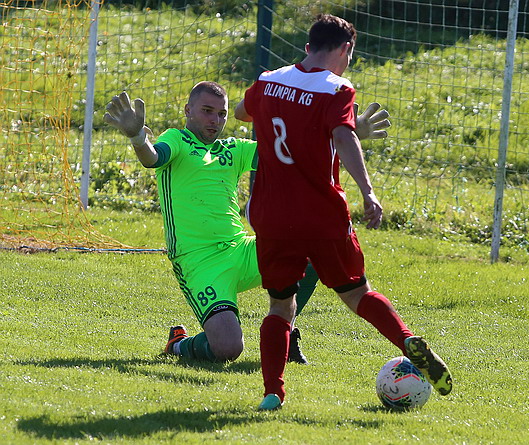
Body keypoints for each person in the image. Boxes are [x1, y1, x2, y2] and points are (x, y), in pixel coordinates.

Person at [234, 14, 453, 410]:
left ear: (308, 46)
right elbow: (342, 135)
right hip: (321, 215)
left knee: (281, 306)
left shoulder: (268, 81)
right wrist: (368, 191)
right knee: (356, 293)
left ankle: (272, 393)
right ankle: (406, 340)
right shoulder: (337, 89)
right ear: (345, 49)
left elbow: (241, 112)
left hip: (272, 214)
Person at [103, 81, 390, 364]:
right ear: (188, 110)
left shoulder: (233, 149)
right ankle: (179, 344)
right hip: (199, 262)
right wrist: (137, 136)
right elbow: (153, 158)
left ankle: (286, 334)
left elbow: (293, 154)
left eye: (222, 114)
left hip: (241, 251)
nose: (215, 120)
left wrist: (343, 136)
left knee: (312, 252)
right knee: (228, 349)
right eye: (207, 111)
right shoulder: (176, 140)